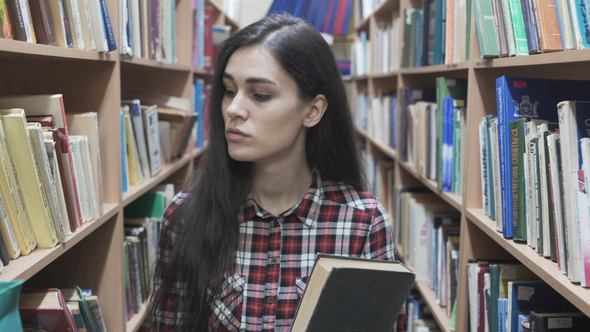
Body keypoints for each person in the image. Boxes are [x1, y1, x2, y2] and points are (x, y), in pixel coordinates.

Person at [147, 13, 395, 331]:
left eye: (260, 95)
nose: (233, 109)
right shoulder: (187, 216)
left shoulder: (363, 223)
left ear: (313, 110)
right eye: (227, 90)